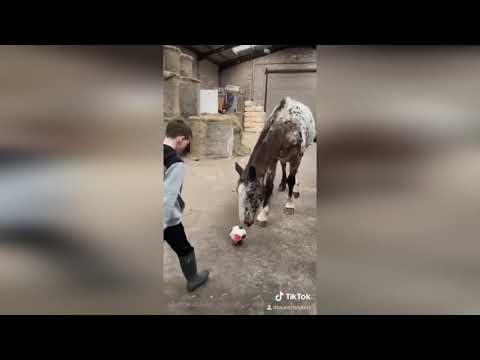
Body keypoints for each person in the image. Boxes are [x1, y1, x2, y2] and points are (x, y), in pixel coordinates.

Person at [163, 119, 209, 292]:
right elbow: (168, 198)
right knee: (184, 248)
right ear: (180, 140)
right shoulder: (175, 163)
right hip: (166, 220)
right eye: (185, 146)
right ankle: (193, 279)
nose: (184, 151)